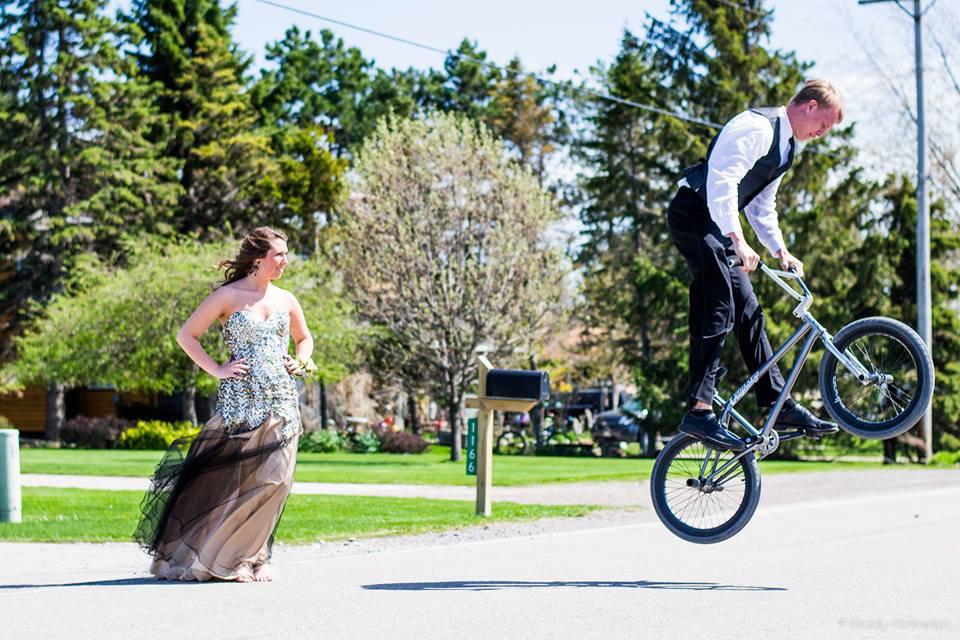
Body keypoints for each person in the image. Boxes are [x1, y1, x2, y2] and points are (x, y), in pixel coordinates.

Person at [667, 79, 844, 451]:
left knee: (749, 311)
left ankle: (777, 403)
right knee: (718, 304)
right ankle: (699, 411)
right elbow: (723, 181)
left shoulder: (785, 149)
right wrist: (737, 239)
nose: (822, 134)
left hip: (716, 226)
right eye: (824, 125)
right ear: (810, 107)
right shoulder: (757, 127)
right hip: (694, 215)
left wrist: (780, 249)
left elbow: (762, 206)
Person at [134, 227, 315, 582]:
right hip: (240, 404)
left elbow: (304, 338)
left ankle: (252, 555)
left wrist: (301, 361)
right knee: (236, 483)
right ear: (258, 258)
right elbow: (186, 335)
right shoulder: (228, 296)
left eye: (287, 253)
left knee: (276, 481)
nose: (285, 260)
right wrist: (217, 369)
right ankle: (236, 560)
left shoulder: (286, 299)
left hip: (282, 402)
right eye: (279, 254)